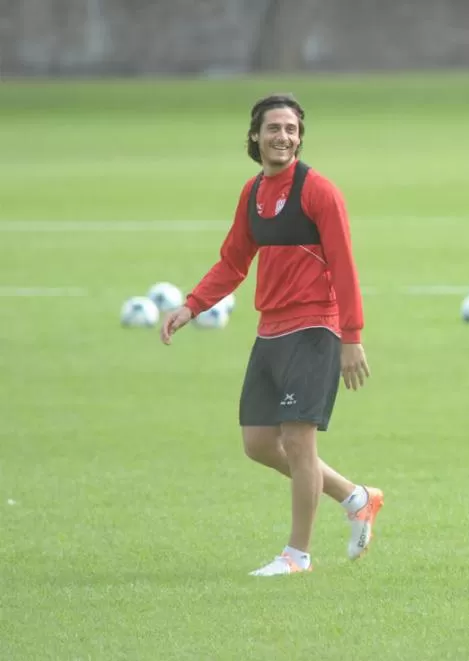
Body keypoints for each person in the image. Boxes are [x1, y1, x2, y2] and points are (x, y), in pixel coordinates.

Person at [160, 93, 384, 577]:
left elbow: (345, 267)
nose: (283, 136)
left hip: (315, 329)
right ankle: (356, 498)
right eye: (273, 129)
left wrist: (352, 336)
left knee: (300, 444)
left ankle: (297, 556)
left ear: (300, 137)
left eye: (291, 129)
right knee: (259, 443)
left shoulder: (319, 192)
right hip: (271, 331)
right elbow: (233, 261)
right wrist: (191, 305)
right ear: (255, 136)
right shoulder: (253, 193)